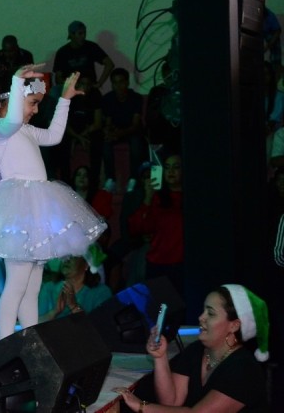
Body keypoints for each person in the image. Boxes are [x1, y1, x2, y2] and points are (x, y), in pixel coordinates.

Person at [0, 65, 107, 339]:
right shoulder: (0, 128)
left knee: (32, 287)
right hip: (17, 211)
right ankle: (4, 343)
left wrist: (65, 99)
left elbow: (54, 136)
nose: (35, 110)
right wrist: (17, 80)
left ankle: (30, 341)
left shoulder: (26, 130)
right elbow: (13, 119)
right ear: (13, 100)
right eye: (32, 103)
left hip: (36, 211)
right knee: (17, 285)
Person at [118, 284, 269, 412]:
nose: (201, 317)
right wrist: (160, 357)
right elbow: (171, 402)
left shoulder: (244, 369)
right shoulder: (197, 350)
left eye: (210, 313)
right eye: (204, 311)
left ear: (234, 325)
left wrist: (141, 406)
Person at [128, 153, 184, 295]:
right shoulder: (156, 197)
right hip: (157, 263)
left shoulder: (192, 197)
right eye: (167, 167)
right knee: (158, 306)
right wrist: (148, 197)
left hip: (182, 264)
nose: (171, 171)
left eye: (176, 167)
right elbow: (137, 228)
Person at [102, 67, 146, 192]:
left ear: (127, 82)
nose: (118, 86)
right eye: (115, 83)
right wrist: (108, 132)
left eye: (121, 82)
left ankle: (134, 179)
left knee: (136, 142)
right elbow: (108, 122)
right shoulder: (108, 98)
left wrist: (120, 133)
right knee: (105, 142)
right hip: (116, 131)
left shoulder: (135, 98)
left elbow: (135, 124)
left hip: (132, 131)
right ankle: (111, 179)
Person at [38, 254, 111, 322]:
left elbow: (99, 327)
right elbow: (34, 324)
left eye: (74, 256)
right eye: (65, 255)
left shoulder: (101, 292)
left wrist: (74, 306)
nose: (67, 259)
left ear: (86, 265)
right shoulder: (49, 287)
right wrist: (54, 312)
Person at [53, 20, 114, 90]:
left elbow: (109, 64)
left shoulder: (91, 47)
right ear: (72, 35)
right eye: (80, 33)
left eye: (84, 33)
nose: (83, 36)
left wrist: (99, 83)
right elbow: (58, 79)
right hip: (71, 90)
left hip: (89, 89)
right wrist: (72, 85)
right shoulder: (62, 52)